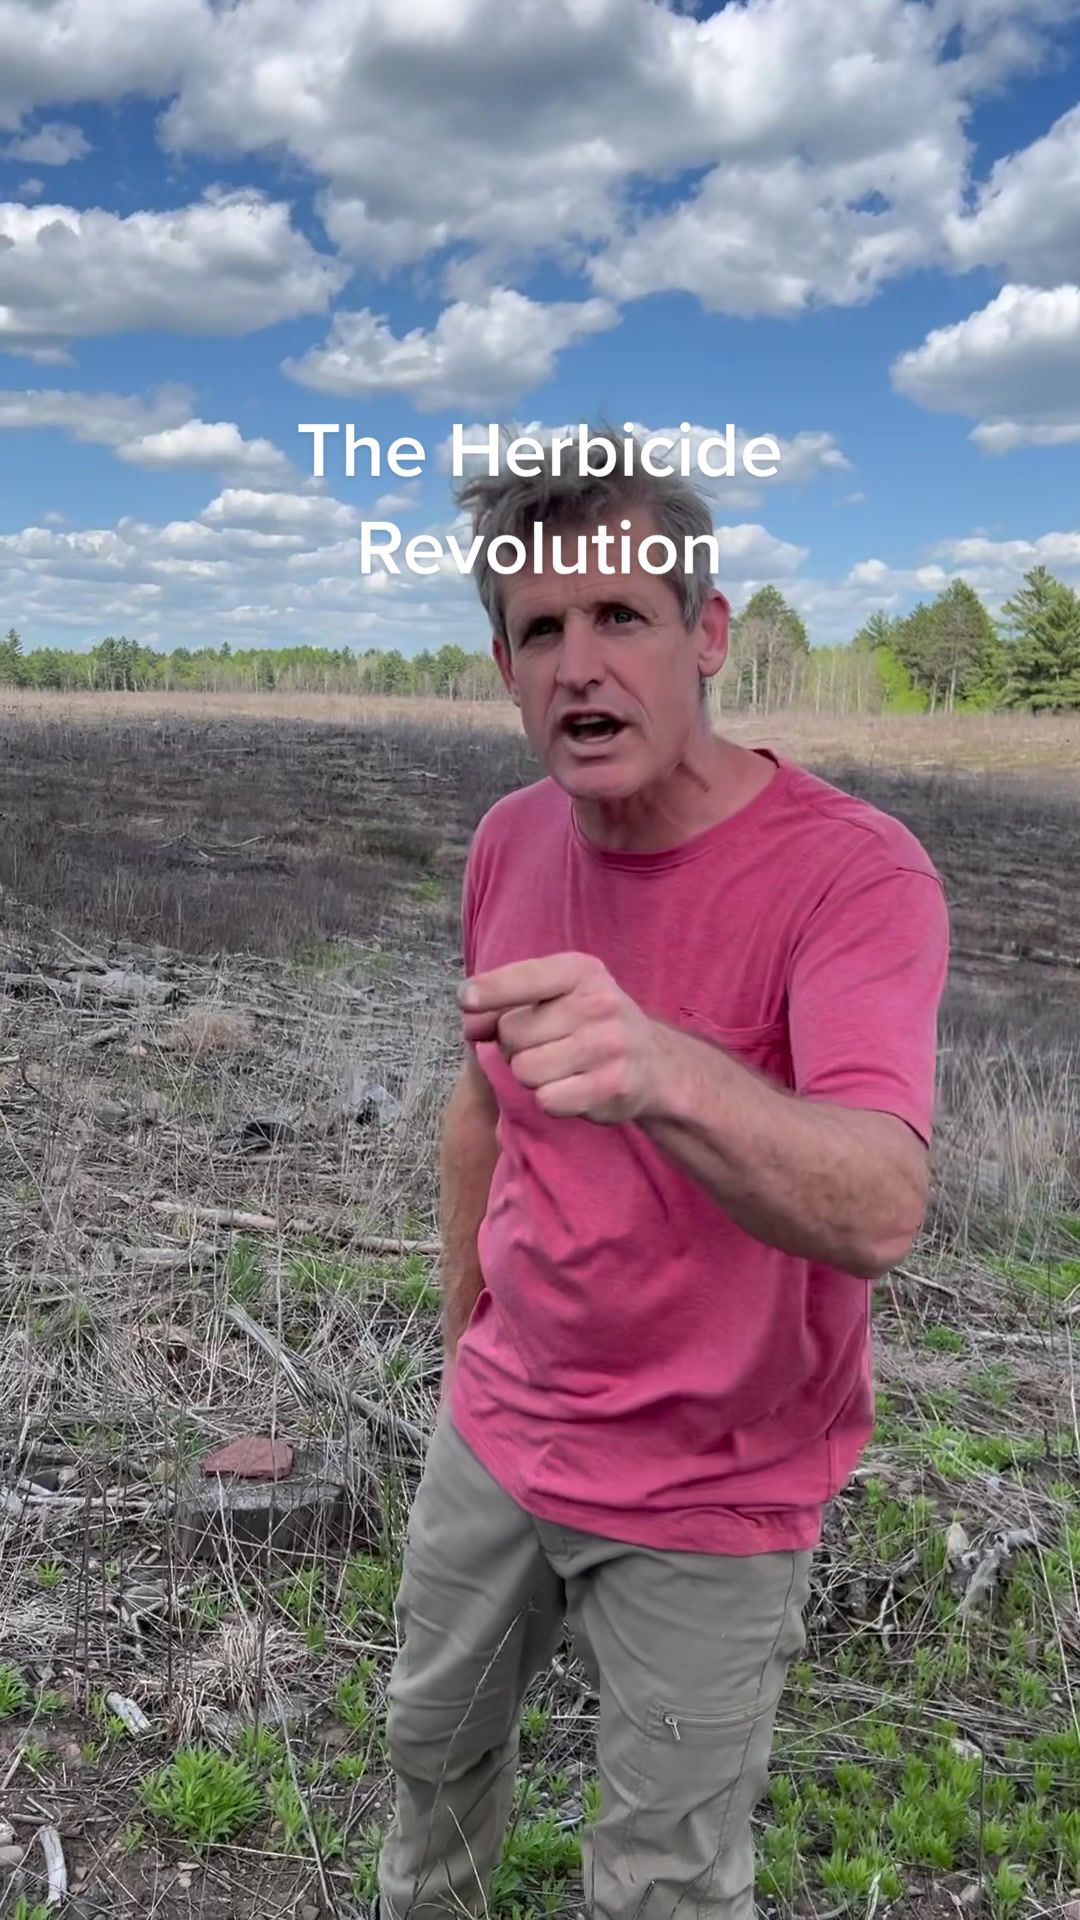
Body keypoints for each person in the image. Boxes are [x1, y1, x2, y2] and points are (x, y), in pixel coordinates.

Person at [376, 430, 950, 1920]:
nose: (580, 665)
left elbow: (881, 1203)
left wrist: (665, 1067)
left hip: (712, 1488)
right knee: (431, 1757)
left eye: (621, 616)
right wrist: (464, 1352)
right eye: (539, 631)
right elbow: (482, 1111)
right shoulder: (510, 841)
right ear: (502, 669)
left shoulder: (853, 873)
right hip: (501, 1434)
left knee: (660, 1883)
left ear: (707, 635)